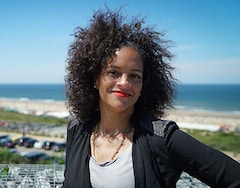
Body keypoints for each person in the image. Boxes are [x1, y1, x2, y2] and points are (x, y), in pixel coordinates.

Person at [63, 8, 240, 188]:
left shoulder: (162, 138)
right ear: (95, 79)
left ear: (143, 86)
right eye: (113, 72)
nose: (124, 82)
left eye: (135, 76)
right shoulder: (77, 128)